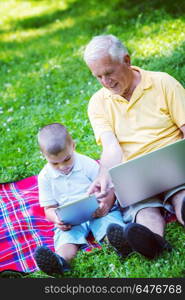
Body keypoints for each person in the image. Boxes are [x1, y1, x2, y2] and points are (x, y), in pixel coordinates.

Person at [83, 34, 185, 259]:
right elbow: (111, 147)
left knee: (182, 195)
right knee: (143, 210)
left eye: (109, 73)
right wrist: (104, 175)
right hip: (135, 176)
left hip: (174, 165)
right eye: (98, 76)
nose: (105, 82)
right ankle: (153, 242)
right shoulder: (98, 103)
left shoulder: (162, 83)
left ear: (127, 61)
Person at [34, 123, 126, 276]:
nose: (63, 166)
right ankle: (60, 261)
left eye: (67, 159)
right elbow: (48, 208)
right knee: (66, 238)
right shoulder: (45, 177)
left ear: (73, 146)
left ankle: (122, 244)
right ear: (44, 156)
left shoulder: (86, 164)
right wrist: (57, 219)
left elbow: (107, 187)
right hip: (71, 219)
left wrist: (106, 205)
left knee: (109, 224)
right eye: (55, 163)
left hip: (96, 210)